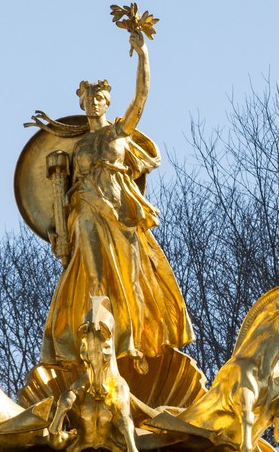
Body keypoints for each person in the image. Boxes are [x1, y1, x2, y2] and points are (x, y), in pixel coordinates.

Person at [41, 30, 194, 374]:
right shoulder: (79, 147)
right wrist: (58, 229)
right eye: (88, 100)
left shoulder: (119, 133)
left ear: (107, 103)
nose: (94, 103)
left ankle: (133, 341)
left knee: (130, 279)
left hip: (121, 215)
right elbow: (63, 194)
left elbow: (141, 98)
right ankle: (97, 338)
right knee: (94, 278)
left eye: (99, 99)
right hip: (85, 209)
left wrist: (143, 55)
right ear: (82, 104)